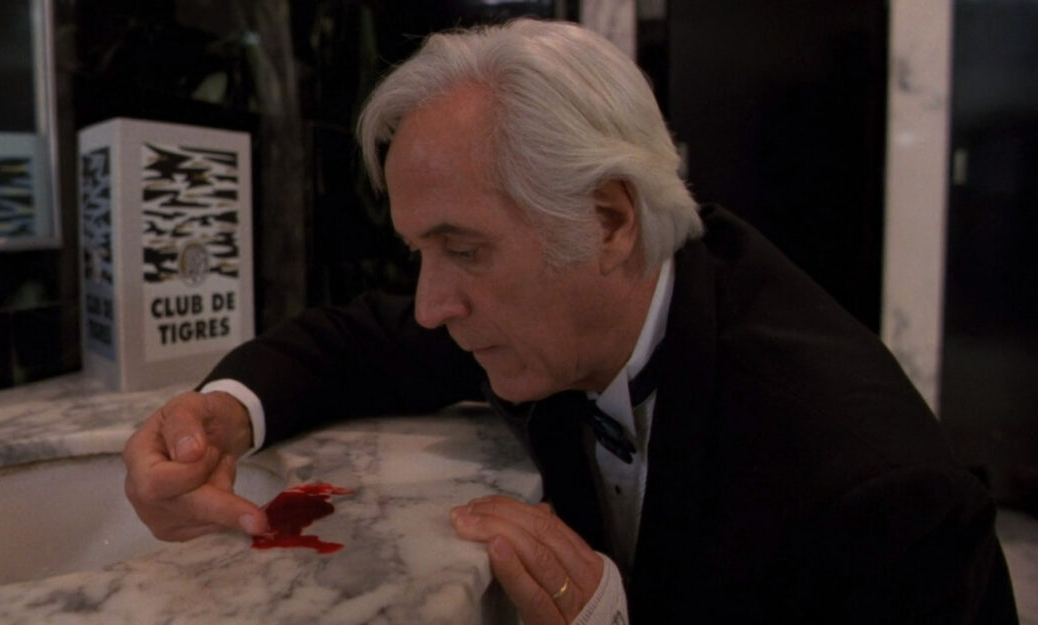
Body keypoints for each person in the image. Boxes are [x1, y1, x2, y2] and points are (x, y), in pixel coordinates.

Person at [123, 18, 1018, 625]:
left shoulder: (876, 494)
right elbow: (360, 339)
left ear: (609, 219)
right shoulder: (567, 303)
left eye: (462, 249)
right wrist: (222, 416)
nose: (432, 304)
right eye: (417, 253)